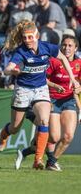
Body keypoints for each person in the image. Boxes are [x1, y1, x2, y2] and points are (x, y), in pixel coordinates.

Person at [0, 21, 79, 169]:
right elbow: (7, 69)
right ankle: (3, 135)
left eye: (30, 37)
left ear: (37, 36)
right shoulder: (21, 51)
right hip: (23, 89)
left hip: (41, 88)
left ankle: (38, 160)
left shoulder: (47, 47)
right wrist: (13, 71)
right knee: (15, 127)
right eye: (24, 38)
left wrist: (72, 78)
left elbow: (63, 58)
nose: (27, 41)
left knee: (44, 121)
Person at [15, 35, 81, 171]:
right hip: (52, 99)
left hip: (69, 100)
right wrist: (55, 86)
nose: (66, 48)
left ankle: (50, 161)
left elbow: (78, 86)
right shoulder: (54, 61)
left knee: (68, 136)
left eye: (70, 45)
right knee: (54, 136)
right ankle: (42, 156)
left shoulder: (79, 64)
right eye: (64, 45)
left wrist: (79, 89)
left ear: (76, 48)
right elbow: (42, 78)